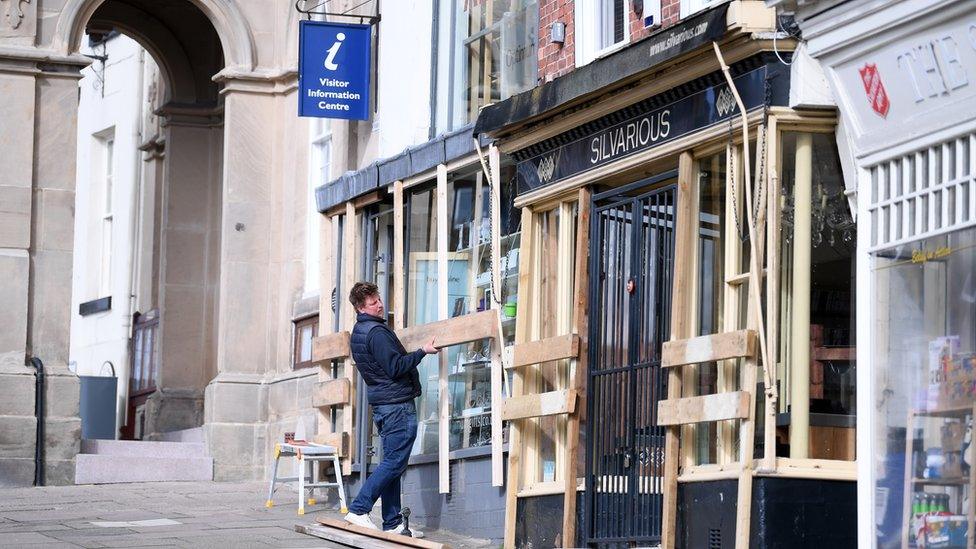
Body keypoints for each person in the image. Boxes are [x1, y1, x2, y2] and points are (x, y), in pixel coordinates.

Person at [344, 282, 438, 535]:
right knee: (395, 462)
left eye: (379, 299)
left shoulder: (360, 331)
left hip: (385, 405)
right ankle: (359, 508)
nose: (380, 304)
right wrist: (422, 352)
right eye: (373, 302)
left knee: (392, 464)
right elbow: (395, 367)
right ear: (361, 307)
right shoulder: (376, 332)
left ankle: (393, 523)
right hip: (396, 406)